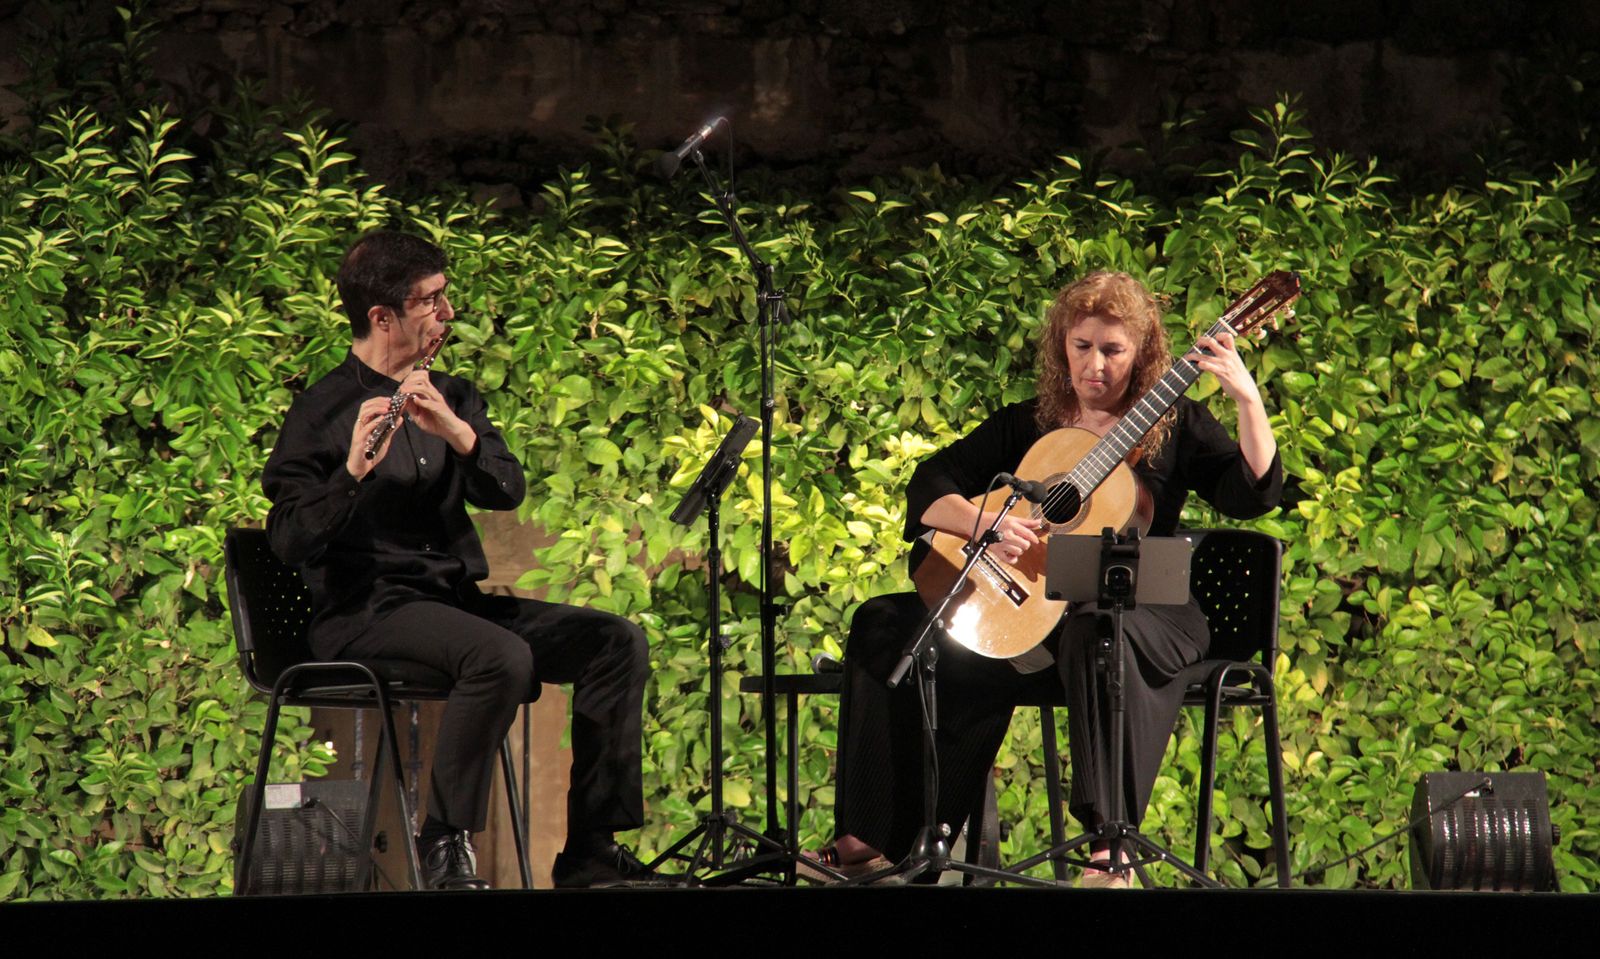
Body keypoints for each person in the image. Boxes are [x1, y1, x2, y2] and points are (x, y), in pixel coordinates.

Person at [815, 271, 1283, 886]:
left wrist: (1248, 400)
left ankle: (1109, 854)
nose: (1095, 364)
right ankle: (869, 840)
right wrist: (983, 521)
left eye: (1113, 350)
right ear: (1062, 345)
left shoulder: (1177, 423)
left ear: (1142, 351)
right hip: (1034, 612)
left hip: (1139, 610)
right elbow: (930, 484)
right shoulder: (1033, 423)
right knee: (883, 621)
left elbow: (1252, 492)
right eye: (1081, 346)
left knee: (1099, 628)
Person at [263, 230, 653, 890]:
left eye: (447, 298)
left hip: (450, 603)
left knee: (614, 640)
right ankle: (444, 840)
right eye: (432, 301)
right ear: (382, 316)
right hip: (365, 610)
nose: (448, 315)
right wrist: (353, 472)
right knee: (499, 655)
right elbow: (289, 538)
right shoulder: (320, 412)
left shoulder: (453, 394)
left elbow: (507, 489)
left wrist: (459, 433)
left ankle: (589, 849)